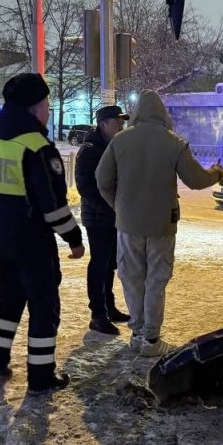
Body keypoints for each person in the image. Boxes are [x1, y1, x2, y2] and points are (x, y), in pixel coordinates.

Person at [95, 90, 223, 357]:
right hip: (162, 225)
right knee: (156, 279)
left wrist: (119, 207)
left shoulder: (120, 141)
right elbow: (196, 180)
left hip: (128, 225)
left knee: (132, 278)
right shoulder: (174, 142)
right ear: (162, 113)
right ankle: (151, 339)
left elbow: (102, 180)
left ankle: (137, 333)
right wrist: (216, 172)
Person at [0, 72, 85, 394]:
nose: (48, 111)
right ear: (34, 108)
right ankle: (41, 377)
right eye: (47, 105)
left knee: (9, 298)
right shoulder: (38, 147)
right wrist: (74, 238)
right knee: (44, 305)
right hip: (32, 240)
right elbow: (53, 207)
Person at [75, 104, 131, 335]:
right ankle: (97, 315)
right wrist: (109, 206)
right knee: (99, 263)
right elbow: (85, 186)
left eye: (122, 121)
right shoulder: (91, 150)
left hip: (113, 214)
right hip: (98, 217)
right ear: (103, 124)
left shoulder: (114, 146)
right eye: (117, 121)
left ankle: (109, 307)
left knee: (109, 263)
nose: (121, 125)